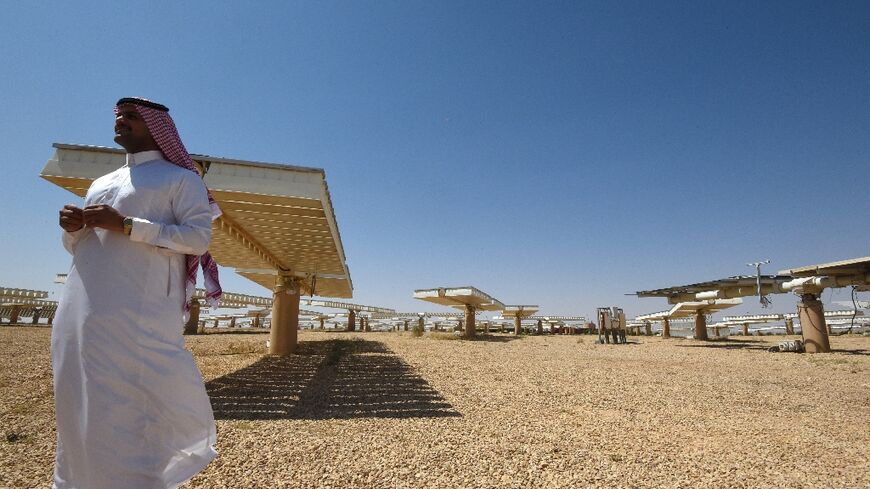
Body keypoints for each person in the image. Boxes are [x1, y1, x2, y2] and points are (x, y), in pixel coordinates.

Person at [52, 97, 222, 489]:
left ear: (154, 126)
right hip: (81, 311)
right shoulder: (100, 184)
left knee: (130, 401)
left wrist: (129, 225)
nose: (121, 122)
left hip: (138, 312)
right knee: (77, 394)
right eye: (118, 117)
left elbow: (198, 238)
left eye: (131, 117)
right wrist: (73, 228)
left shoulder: (181, 179)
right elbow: (80, 248)